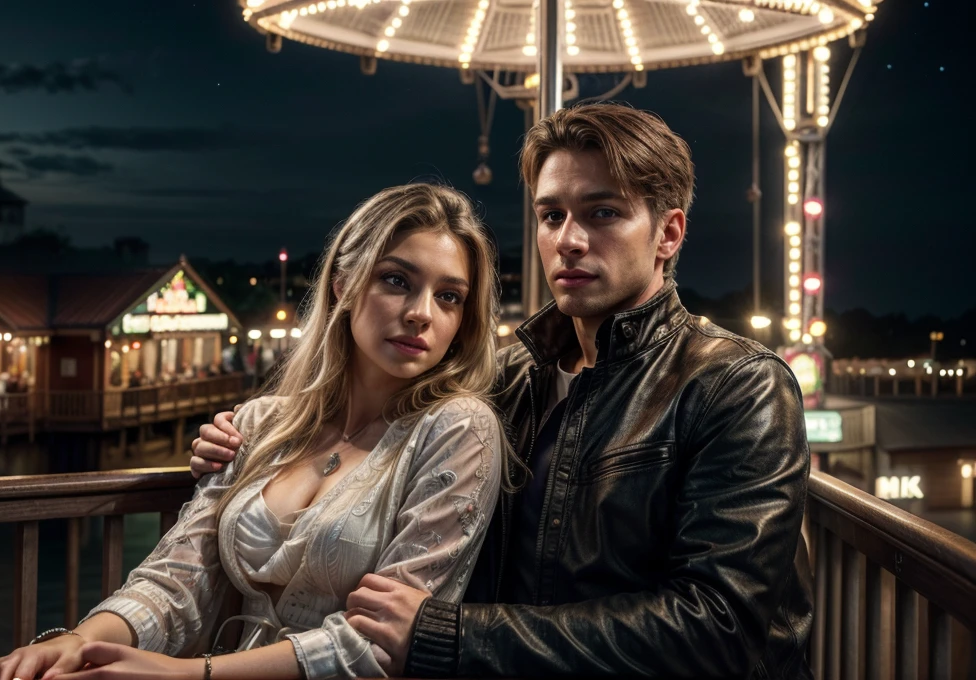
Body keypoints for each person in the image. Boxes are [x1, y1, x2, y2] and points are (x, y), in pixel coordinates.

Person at [192, 103, 814, 678]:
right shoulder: (506, 377)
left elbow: (719, 625)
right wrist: (253, 443)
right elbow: (373, 424)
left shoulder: (738, 386)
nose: (568, 239)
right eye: (551, 215)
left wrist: (456, 636)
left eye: (603, 212)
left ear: (668, 234)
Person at [0, 183, 509, 680]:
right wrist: (81, 639)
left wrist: (191, 673)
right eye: (397, 280)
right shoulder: (263, 423)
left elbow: (379, 645)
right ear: (344, 285)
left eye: (449, 297)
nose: (421, 313)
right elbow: (179, 577)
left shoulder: (459, 429)